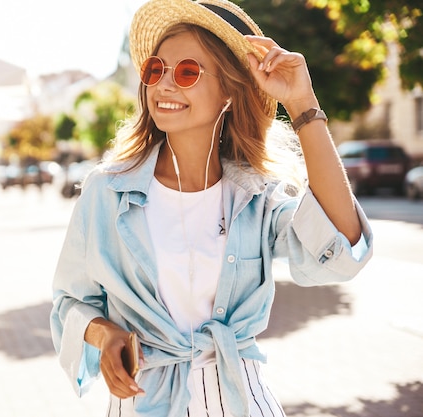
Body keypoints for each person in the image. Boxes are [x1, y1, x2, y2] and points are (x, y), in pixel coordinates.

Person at [50, 0, 374, 416]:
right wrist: (104, 335)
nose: (165, 85)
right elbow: (69, 302)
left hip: (239, 401)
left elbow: (342, 250)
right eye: (155, 70)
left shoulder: (257, 195)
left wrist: (302, 105)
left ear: (227, 91)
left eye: (187, 72)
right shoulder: (105, 192)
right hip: (144, 403)